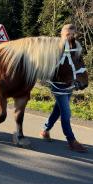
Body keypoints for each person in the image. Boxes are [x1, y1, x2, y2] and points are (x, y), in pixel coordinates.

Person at [40, 24, 88, 153]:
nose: (70, 37)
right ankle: (71, 141)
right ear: (62, 34)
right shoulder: (55, 48)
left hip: (69, 85)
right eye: (68, 34)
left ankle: (45, 130)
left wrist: (79, 81)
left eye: (72, 34)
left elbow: (79, 65)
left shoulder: (76, 46)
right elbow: (46, 64)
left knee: (58, 109)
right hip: (58, 85)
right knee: (66, 113)